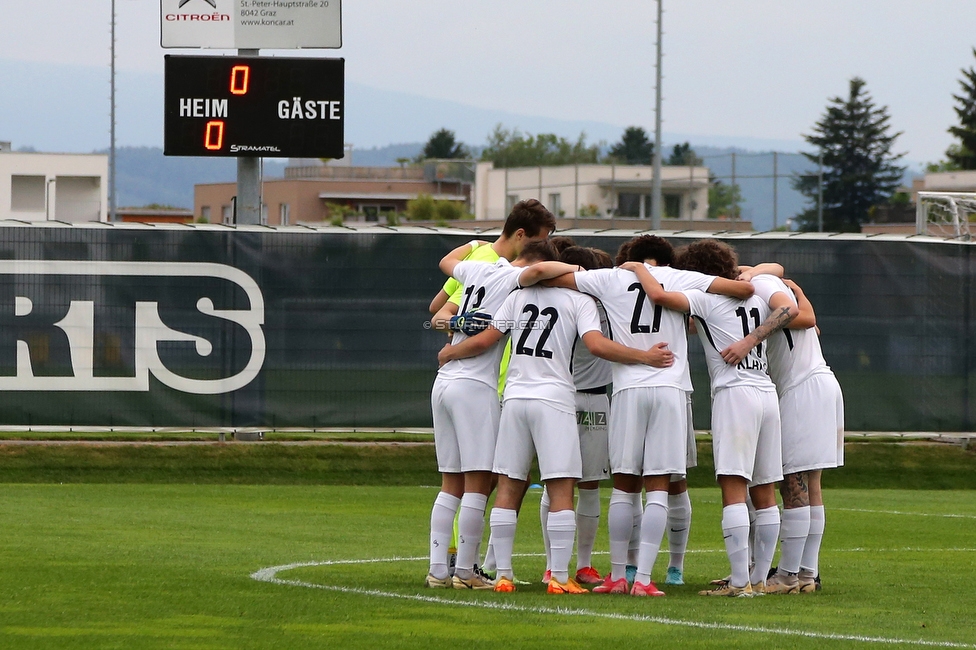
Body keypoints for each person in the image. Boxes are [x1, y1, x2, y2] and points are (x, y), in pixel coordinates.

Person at [438, 245, 675, 595]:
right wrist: (643, 356)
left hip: (516, 399)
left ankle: (503, 575)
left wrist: (451, 352)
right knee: (562, 487)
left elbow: (488, 338)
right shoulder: (579, 302)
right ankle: (561, 577)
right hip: (554, 399)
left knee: (507, 486)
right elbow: (596, 345)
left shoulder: (517, 298)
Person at [546, 235, 755, 597]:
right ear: (665, 258)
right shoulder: (678, 277)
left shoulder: (610, 278)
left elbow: (549, 277)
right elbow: (743, 289)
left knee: (625, 487)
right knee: (659, 487)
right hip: (671, 390)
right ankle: (644, 578)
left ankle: (616, 576)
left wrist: (593, 269)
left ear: (628, 257)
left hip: (629, 389)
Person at [625, 239, 797, 597]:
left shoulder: (704, 297)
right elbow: (782, 290)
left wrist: (639, 267)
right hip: (767, 393)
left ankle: (739, 583)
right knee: (764, 492)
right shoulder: (759, 293)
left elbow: (658, 296)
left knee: (733, 489)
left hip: (735, 395)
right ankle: (761, 580)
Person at [425, 239, 579, 590]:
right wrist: (576, 269)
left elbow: (446, 260)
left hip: (444, 386)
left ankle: (437, 570)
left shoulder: (479, 266)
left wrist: (473, 243)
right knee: (477, 484)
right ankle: (465, 571)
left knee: (450, 484)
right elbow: (538, 271)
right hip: (473, 384)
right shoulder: (514, 278)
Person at [727, 269, 844, 594]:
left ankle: (788, 575)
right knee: (811, 484)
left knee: (794, 483)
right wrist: (797, 289)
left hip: (802, 390)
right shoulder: (775, 288)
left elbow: (802, 316)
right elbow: (800, 307)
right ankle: (807, 574)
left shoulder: (760, 291)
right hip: (821, 384)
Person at [539, 246, 613, 586]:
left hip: (578, 399)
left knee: (564, 485)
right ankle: (568, 565)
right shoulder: (586, 306)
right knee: (577, 485)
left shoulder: (569, 302)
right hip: (572, 399)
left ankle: (571, 565)